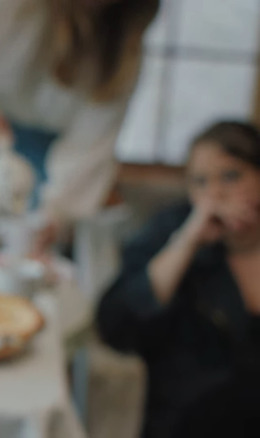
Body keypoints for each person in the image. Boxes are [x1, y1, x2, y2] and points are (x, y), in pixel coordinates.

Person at [0, 0, 159, 252]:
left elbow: (90, 145)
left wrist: (56, 212)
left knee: (21, 253)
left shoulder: (122, 52)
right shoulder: (6, 6)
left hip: (48, 165)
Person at [97, 121, 260, 438]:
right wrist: (187, 242)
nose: (213, 194)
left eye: (231, 176)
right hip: (187, 421)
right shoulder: (172, 228)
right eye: (199, 182)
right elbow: (116, 323)